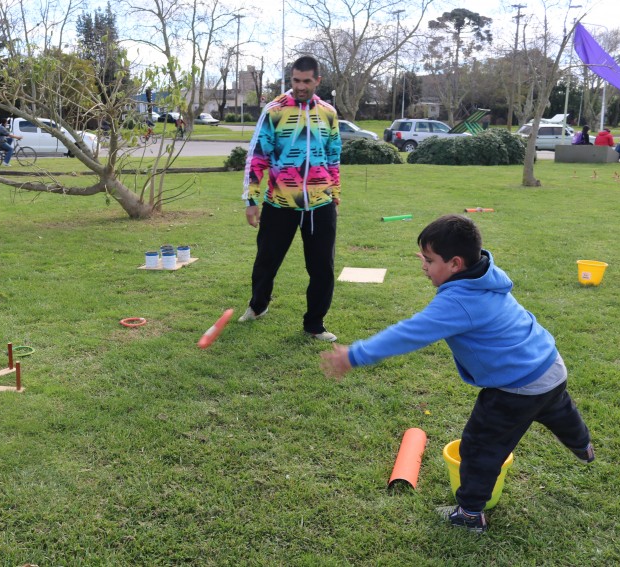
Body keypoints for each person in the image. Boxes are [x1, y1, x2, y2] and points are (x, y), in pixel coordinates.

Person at [320, 215, 594, 534]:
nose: (423, 265)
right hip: (550, 365)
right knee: (558, 410)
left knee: (479, 447)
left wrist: (356, 354)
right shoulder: (485, 273)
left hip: (517, 385)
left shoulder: (458, 302)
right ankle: (583, 446)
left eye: (429, 259)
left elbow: (410, 333)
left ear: (455, 264)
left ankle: (469, 513)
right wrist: (435, 257)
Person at [240, 55, 342, 341]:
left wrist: (335, 192)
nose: (300, 86)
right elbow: (257, 156)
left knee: (322, 267)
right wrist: (251, 200)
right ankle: (258, 306)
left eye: (306, 81)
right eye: (296, 80)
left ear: (317, 81)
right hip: (279, 203)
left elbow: (334, 155)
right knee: (266, 261)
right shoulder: (275, 111)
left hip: (320, 204)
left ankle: (314, 325)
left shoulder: (328, 113)